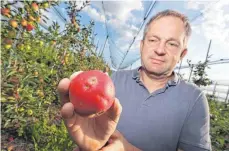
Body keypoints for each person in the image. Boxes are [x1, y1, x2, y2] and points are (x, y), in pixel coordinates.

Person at [58, 9, 212, 151]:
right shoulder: (114, 81)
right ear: (141, 45)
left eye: (172, 44)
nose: (159, 50)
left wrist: (128, 149)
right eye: (153, 40)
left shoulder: (194, 99)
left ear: (182, 54)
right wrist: (90, 142)